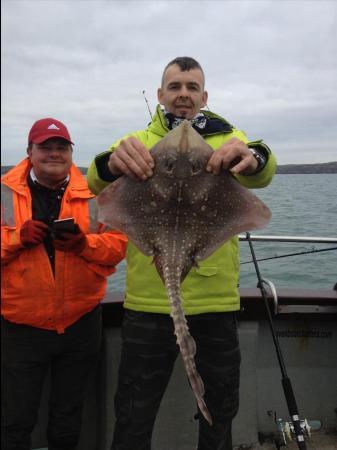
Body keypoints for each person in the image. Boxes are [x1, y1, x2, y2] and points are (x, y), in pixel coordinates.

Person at [87, 57, 277, 450]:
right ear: (161, 95)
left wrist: (253, 156)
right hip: (148, 305)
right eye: (175, 87)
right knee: (134, 411)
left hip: (216, 304)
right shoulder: (137, 141)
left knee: (221, 408)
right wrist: (112, 162)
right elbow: (96, 176)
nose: (183, 95)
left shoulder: (227, 138)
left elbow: (261, 168)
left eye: (191, 87)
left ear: (203, 96)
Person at [1, 117, 128, 450]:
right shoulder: (3, 192)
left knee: (68, 417)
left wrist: (85, 244)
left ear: (71, 154)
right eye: (46, 147)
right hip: (20, 327)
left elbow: (118, 246)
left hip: (80, 324)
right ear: (29, 151)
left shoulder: (97, 194)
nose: (54, 154)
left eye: (61, 148)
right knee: (15, 419)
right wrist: (16, 238)